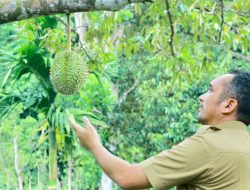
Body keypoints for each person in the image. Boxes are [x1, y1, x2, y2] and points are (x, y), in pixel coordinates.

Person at [69, 70, 250, 190]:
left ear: (229, 105)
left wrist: (93, 145)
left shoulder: (208, 146)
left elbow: (127, 177)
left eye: (210, 91)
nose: (202, 97)